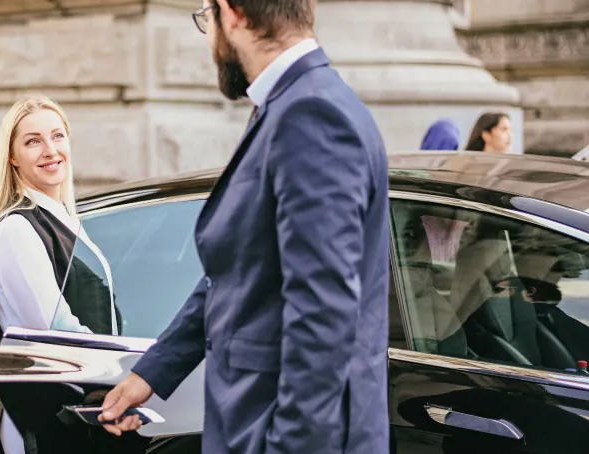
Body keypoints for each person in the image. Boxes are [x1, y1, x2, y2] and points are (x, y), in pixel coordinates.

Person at [99, 0, 391, 452]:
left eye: (206, 18)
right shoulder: (293, 104)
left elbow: (323, 316)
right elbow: (237, 273)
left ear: (231, 13)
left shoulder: (310, 115)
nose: (209, 38)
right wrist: (153, 372)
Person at [0, 94, 118, 454]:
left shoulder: (64, 220)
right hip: (44, 423)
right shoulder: (17, 229)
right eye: (33, 141)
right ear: (13, 157)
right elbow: (58, 332)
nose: (50, 150)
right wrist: (127, 371)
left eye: (57, 136)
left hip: (76, 410)